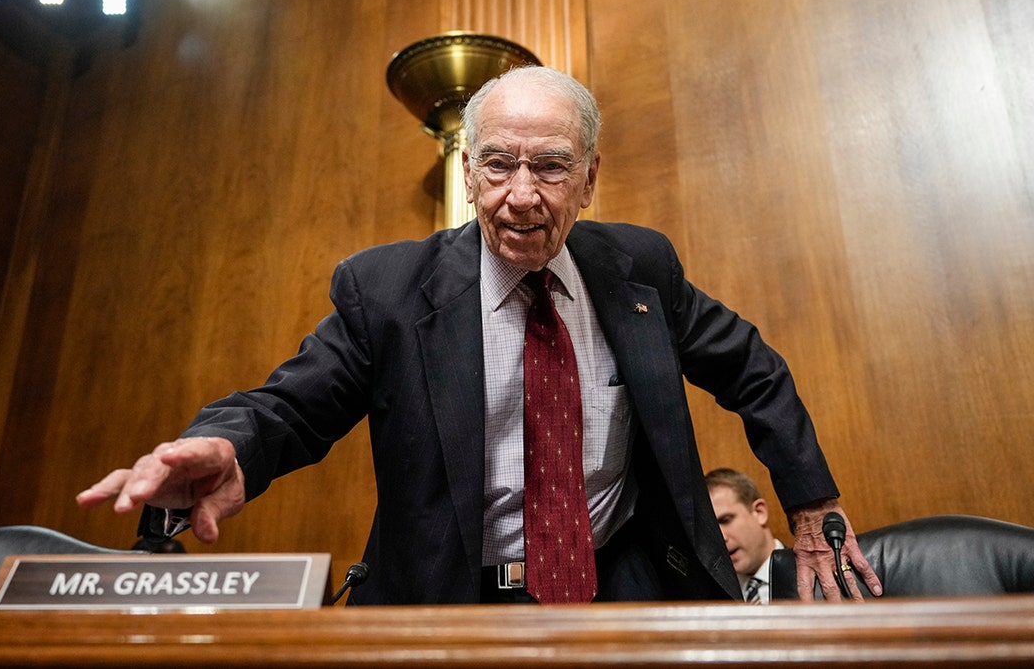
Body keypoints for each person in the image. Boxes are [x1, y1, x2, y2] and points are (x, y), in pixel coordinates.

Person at [77, 65, 880, 605]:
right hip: (445, 596)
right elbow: (291, 407)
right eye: (497, 165)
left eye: (552, 167)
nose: (520, 196)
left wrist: (813, 506)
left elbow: (753, 368)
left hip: (624, 588)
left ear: (592, 177)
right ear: (467, 171)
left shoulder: (640, 269)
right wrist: (230, 446)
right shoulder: (386, 289)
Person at [706, 468, 785, 604]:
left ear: (759, 512)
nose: (721, 538)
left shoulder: (814, 577)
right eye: (711, 530)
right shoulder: (709, 595)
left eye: (726, 520)